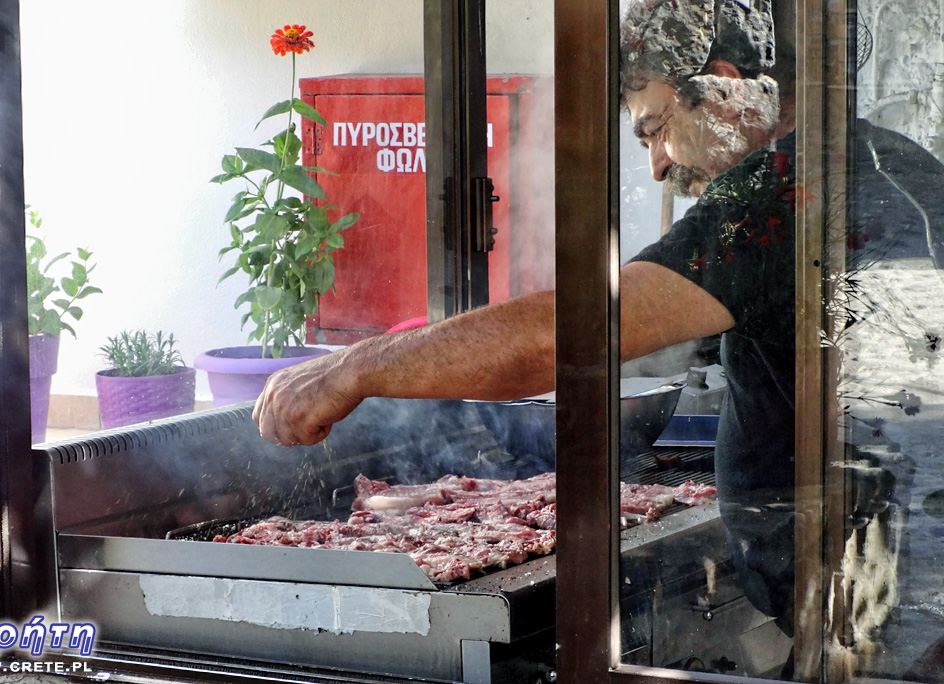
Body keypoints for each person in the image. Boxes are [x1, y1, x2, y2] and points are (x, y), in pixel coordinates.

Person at [255, 0, 944, 677]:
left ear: (727, 89)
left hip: (894, 623)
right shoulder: (875, 159)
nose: (654, 166)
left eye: (655, 129)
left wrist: (351, 370)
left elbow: (570, 338)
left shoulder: (783, 190)